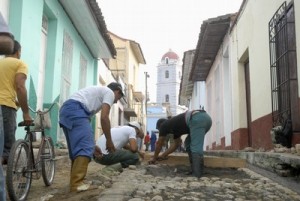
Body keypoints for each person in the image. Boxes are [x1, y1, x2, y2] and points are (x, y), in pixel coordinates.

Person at [59, 82, 124, 192]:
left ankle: (75, 182)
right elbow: (104, 118)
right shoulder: (109, 92)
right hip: (77, 110)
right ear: (117, 91)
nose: (117, 101)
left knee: (78, 150)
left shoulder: (96, 93)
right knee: (84, 147)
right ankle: (77, 184)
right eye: (119, 96)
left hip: (67, 110)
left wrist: (92, 145)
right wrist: (109, 141)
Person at [148, 109, 212, 178]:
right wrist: (163, 155)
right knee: (188, 143)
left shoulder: (164, 125)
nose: (160, 132)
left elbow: (159, 144)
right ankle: (195, 170)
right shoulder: (174, 128)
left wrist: (154, 158)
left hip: (197, 119)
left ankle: (197, 173)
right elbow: (176, 144)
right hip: (204, 118)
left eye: (159, 130)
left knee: (195, 146)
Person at [0, 40, 33, 165]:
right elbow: (20, 86)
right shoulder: (20, 63)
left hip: (7, 101)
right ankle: (9, 181)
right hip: (5, 106)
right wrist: (26, 112)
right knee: (7, 149)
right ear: (18, 52)